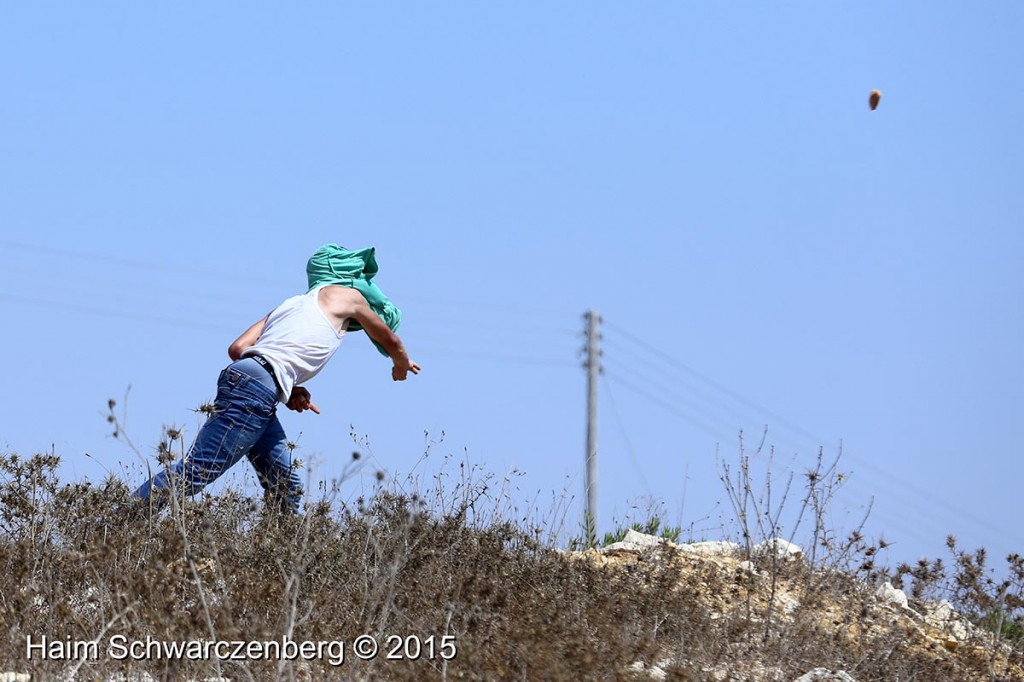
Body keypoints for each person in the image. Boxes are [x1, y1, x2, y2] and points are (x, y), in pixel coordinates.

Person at [133, 245, 420, 512]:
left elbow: (237, 349)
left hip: (246, 381)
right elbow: (389, 339)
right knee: (197, 471)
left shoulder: (291, 304)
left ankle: (274, 561)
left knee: (286, 488)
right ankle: (120, 520)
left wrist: (288, 387)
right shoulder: (348, 295)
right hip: (256, 391)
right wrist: (401, 364)